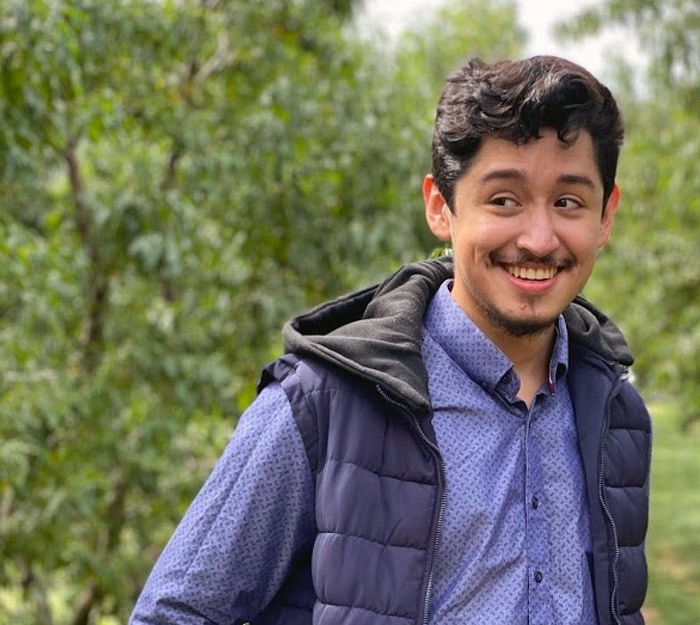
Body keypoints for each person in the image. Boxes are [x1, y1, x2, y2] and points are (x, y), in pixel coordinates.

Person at [130, 55, 652, 625]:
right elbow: (175, 613)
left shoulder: (616, 415)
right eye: (504, 199)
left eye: (568, 202)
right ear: (440, 207)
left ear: (605, 216)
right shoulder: (325, 406)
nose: (537, 237)